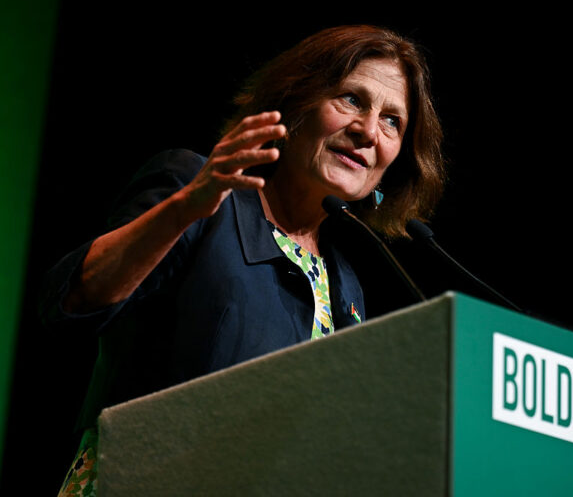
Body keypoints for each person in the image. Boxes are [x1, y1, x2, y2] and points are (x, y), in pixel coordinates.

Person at [41, 25, 445, 496]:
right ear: (296, 103)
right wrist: (184, 208)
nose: (368, 131)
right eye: (351, 100)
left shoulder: (345, 284)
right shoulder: (200, 192)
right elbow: (71, 303)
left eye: (392, 121)